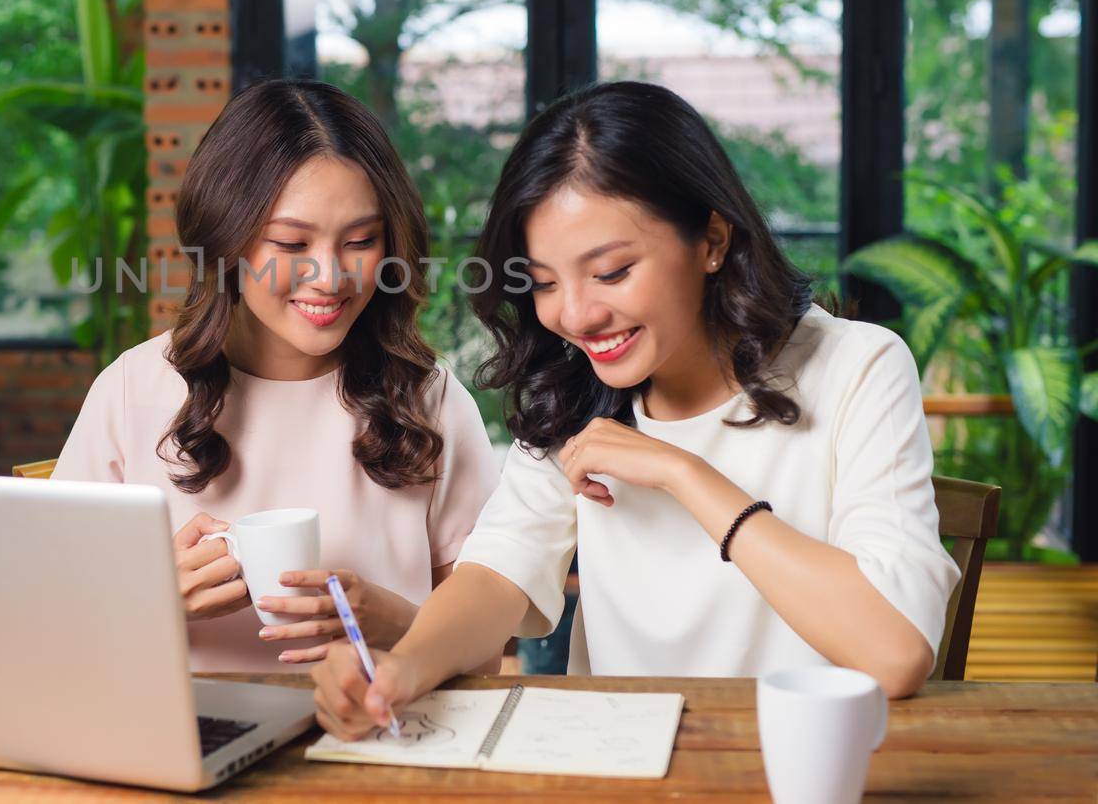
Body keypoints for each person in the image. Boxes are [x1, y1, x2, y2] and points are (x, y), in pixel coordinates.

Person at [311, 81, 961, 738]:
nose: (576, 314)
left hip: (804, 765)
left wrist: (684, 475)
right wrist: (401, 670)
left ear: (711, 239)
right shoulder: (571, 392)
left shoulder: (857, 367)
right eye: (542, 283)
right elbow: (496, 575)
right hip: (621, 762)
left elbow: (896, 653)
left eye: (613, 271)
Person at [53, 78, 499, 672]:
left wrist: (397, 624)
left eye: (361, 240)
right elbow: (46, 625)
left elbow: (488, 657)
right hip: (189, 745)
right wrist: (147, 596)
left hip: (380, 742)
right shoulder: (134, 390)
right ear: (225, 241)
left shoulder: (430, 400)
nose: (331, 276)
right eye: (291, 242)